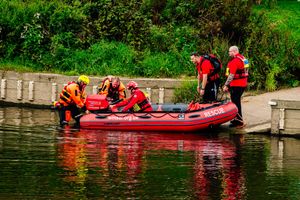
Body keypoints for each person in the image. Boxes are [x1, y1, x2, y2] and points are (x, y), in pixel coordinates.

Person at [222, 46, 248, 128]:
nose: (229, 53)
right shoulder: (243, 58)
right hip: (243, 84)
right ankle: (236, 120)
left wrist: (226, 85)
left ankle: (239, 121)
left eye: (230, 52)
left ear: (234, 51)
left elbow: (231, 75)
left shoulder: (235, 61)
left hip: (236, 85)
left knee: (235, 103)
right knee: (236, 102)